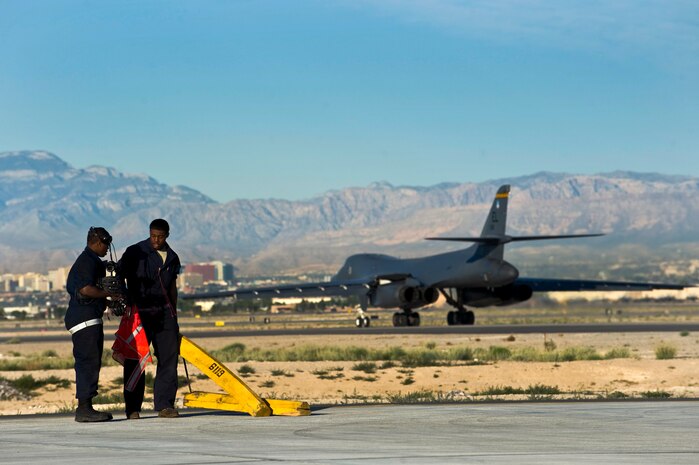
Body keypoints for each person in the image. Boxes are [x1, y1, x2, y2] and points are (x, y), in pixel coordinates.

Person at [118, 218, 181, 419]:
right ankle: (133, 408)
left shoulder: (172, 257)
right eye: (153, 235)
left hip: (165, 315)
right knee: (136, 360)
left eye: (160, 236)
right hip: (140, 314)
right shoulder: (135, 252)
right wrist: (126, 298)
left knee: (169, 360)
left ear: (167, 235)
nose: (156, 240)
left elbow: (172, 287)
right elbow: (118, 276)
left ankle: (165, 405)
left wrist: (174, 314)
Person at [65, 227, 119, 422]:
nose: (107, 249)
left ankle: (86, 407)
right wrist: (109, 294)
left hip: (85, 316)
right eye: (105, 245)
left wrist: (106, 301)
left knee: (90, 361)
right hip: (84, 318)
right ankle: (84, 409)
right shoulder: (88, 261)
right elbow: (86, 289)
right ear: (96, 242)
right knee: (88, 362)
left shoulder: (91, 260)